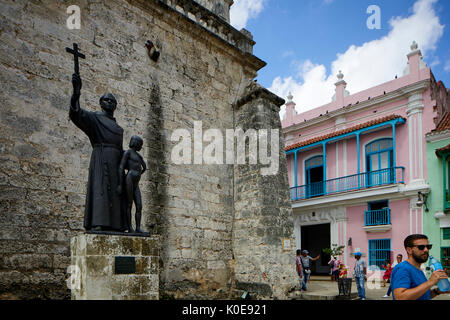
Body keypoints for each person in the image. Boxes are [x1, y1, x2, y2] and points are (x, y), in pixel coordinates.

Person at [69, 73, 128, 232]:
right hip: (101, 157)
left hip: (116, 162)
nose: (109, 102)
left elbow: (121, 149)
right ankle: (98, 222)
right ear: (101, 103)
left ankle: (117, 225)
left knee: (117, 193)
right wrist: (76, 93)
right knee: (100, 189)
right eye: (106, 100)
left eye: (112, 101)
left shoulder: (119, 129)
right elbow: (76, 113)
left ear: (115, 106)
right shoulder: (94, 119)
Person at [391, 234, 450, 300]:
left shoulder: (418, 269)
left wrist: (437, 291)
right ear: (409, 250)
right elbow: (400, 297)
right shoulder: (403, 268)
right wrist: (430, 282)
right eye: (421, 247)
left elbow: (422, 296)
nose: (426, 250)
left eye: (428, 246)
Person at [118, 135, 147, 233]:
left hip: (136, 182)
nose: (141, 147)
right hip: (129, 179)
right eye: (140, 144)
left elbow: (144, 167)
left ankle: (138, 227)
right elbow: (121, 167)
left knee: (139, 205)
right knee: (129, 204)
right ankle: (129, 227)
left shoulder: (139, 156)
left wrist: (138, 174)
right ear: (136, 143)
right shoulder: (128, 153)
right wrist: (120, 184)